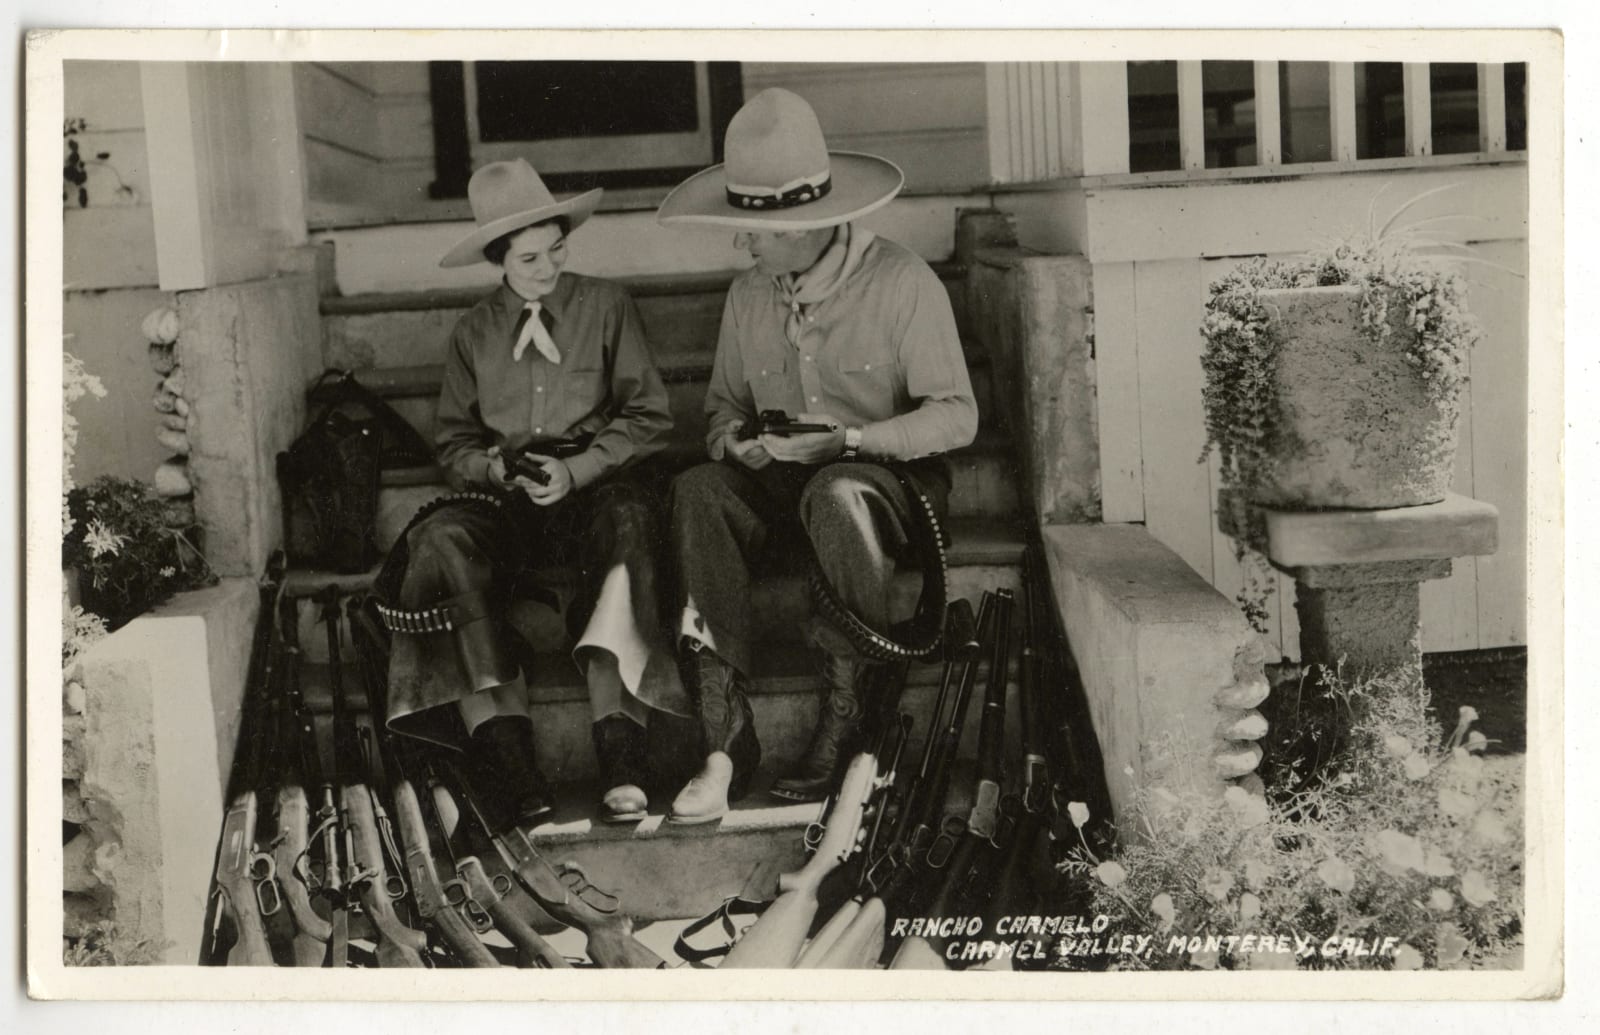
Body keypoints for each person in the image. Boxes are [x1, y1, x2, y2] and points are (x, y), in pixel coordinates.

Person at [655, 89, 978, 824]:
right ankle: (725, 741)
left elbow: (958, 415)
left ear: (803, 226)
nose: (745, 245)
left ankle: (848, 719)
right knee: (699, 489)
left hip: (881, 484)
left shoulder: (902, 283)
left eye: (755, 233)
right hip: (780, 484)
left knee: (836, 491)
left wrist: (853, 441)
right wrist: (733, 441)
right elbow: (720, 411)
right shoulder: (748, 296)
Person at [377, 158, 689, 827]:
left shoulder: (606, 307)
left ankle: (623, 752)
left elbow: (650, 416)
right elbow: (453, 443)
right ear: (499, 260)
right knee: (440, 541)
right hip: (509, 499)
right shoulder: (474, 334)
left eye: (556, 250)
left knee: (633, 521)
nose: (546, 269)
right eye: (528, 259)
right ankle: (509, 754)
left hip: (593, 486)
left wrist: (579, 470)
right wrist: (491, 469)